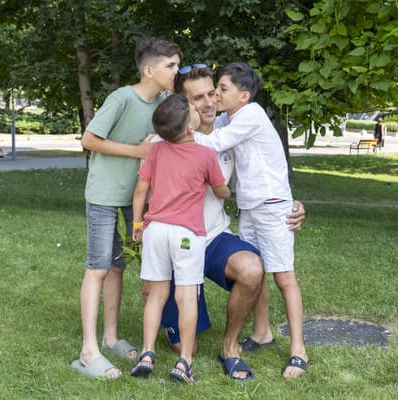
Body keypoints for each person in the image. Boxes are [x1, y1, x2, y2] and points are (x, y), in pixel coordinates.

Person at [156, 64, 306, 381]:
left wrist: (290, 203)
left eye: (214, 92)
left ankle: (231, 347)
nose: (210, 102)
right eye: (199, 97)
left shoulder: (231, 129)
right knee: (188, 346)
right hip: (175, 246)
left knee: (254, 267)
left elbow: (263, 164)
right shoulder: (162, 142)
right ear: (181, 103)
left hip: (211, 238)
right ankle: (249, 330)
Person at [71, 37, 181, 379]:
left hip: (138, 198)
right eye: (171, 66)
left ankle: (111, 337)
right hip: (104, 194)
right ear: (149, 70)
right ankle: (88, 351)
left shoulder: (164, 102)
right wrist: (136, 152)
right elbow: (89, 140)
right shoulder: (122, 98)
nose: (176, 71)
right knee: (98, 267)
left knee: (118, 267)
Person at [130, 94, 230, 383]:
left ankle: (147, 353)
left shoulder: (157, 150)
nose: (197, 108)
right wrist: (226, 192)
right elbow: (220, 189)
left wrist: (138, 223)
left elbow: (140, 190)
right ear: (188, 128)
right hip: (187, 234)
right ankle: (184, 362)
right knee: (187, 297)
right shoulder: (205, 154)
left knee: (156, 296)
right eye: (192, 109)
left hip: (155, 230)